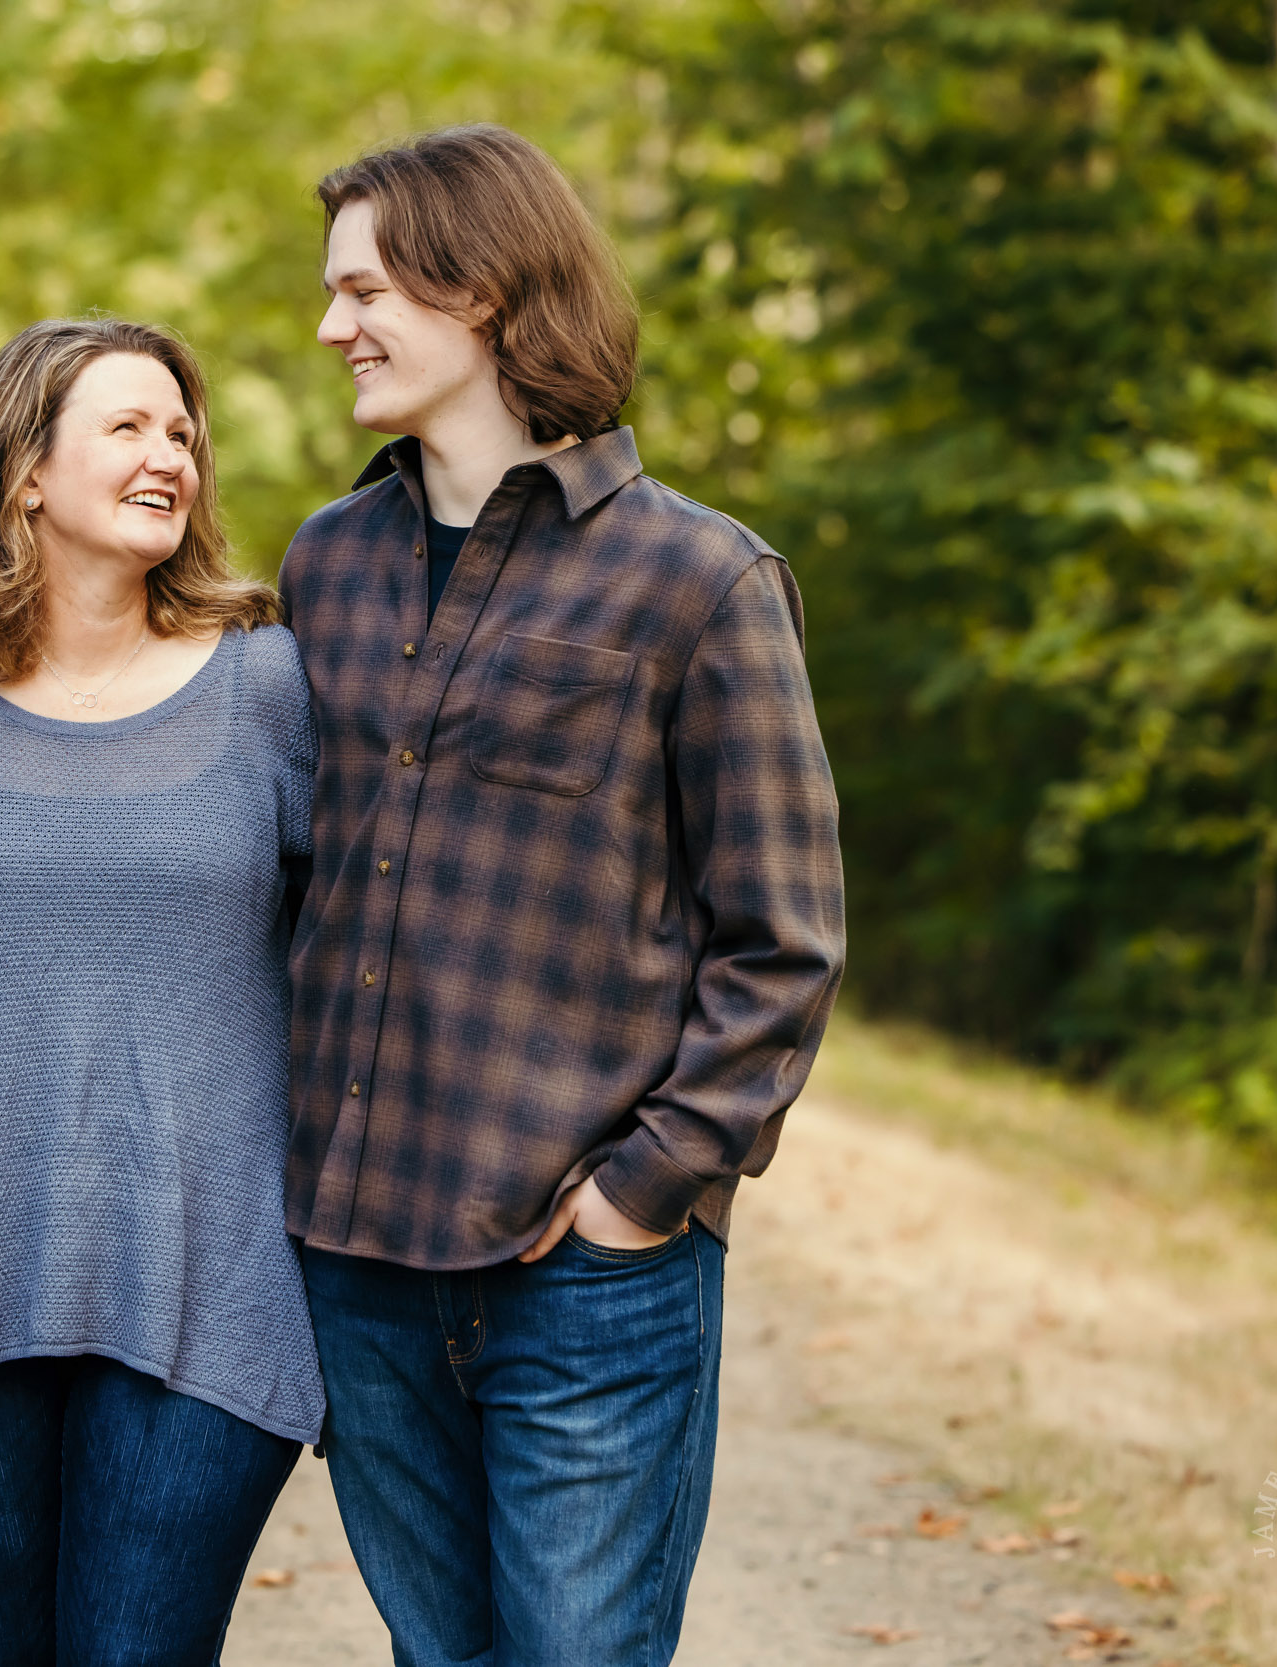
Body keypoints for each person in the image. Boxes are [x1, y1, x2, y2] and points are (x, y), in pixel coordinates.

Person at [281, 124, 848, 1665]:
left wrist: (640, 1196)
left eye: (365, 289)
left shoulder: (700, 582)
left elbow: (782, 945)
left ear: (481, 290)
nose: (334, 326)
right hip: (362, 1259)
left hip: (584, 1280)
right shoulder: (325, 565)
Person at [0, 317, 322, 1664]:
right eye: (128, 426)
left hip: (209, 1276)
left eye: (181, 431)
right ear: (23, 474)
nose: (169, 451)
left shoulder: (269, 685)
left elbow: (352, 944)